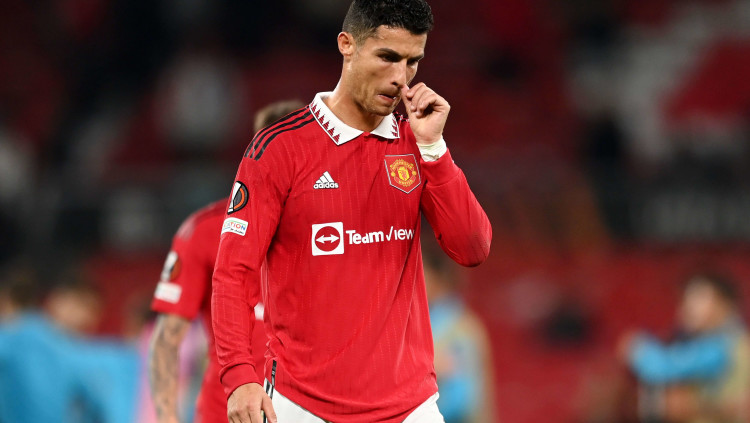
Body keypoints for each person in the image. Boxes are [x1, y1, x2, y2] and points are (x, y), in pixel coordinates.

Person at [211, 1, 492, 422]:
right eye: (387, 56)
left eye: (412, 61)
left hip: (411, 407)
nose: (401, 77)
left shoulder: (415, 143)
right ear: (347, 44)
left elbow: (472, 249)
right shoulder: (279, 149)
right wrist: (238, 375)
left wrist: (435, 149)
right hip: (302, 406)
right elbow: (234, 272)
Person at [148, 99, 304, 423]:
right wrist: (166, 418)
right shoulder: (204, 231)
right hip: (226, 413)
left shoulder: (340, 230)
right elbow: (167, 339)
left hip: (312, 410)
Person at [0, 264, 140, 423]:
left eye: (92, 310)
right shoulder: (23, 335)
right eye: (79, 304)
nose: (84, 316)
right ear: (56, 300)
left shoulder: (100, 354)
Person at [619, 272, 750, 423]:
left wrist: (637, 348)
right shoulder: (717, 340)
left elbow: (663, 369)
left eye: (699, 299)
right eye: (686, 299)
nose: (689, 307)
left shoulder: (724, 345)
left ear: (725, 304)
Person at [423, 252, 496, 423]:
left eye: (421, 273)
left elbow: (464, 398)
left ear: (438, 278)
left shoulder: (460, 326)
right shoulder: (417, 321)